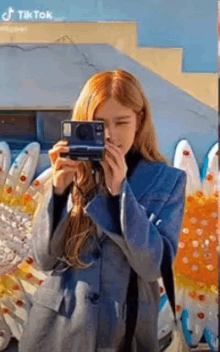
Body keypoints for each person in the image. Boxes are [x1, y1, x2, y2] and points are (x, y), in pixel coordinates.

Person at [18, 69, 186, 352]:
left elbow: (153, 266)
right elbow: (44, 260)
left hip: (123, 330)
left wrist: (121, 192)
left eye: (121, 122)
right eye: (99, 125)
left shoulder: (167, 181)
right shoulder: (73, 172)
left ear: (140, 120)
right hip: (58, 330)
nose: (110, 135)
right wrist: (58, 192)